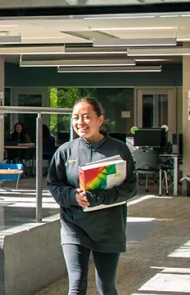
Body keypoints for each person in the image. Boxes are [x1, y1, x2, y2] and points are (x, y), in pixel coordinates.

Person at [46, 98, 138, 295]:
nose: (80, 122)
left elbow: (131, 187)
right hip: (74, 226)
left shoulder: (119, 149)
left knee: (106, 287)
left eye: (87, 117)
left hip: (109, 227)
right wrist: (72, 196)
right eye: (76, 118)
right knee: (76, 285)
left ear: (100, 120)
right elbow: (54, 184)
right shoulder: (65, 151)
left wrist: (100, 197)